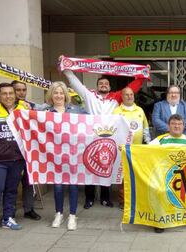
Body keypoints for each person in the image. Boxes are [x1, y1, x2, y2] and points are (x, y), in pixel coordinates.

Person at [60, 59, 148, 210]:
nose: (103, 85)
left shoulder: (116, 97)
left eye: (106, 84)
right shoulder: (89, 96)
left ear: (110, 86)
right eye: (101, 84)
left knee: (106, 167)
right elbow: (75, 83)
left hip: (109, 138)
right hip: (90, 137)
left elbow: (132, 88)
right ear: (97, 86)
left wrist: (143, 74)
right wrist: (66, 68)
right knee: (89, 166)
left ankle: (105, 198)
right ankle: (89, 198)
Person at [0, 83, 27, 236]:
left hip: (17, 159)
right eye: (4, 93)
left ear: (15, 94)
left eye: (11, 93)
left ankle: (8, 218)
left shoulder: (24, 109)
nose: (8, 96)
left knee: (11, 190)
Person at [43, 81, 85, 231]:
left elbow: (91, 121)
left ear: (66, 95)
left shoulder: (76, 110)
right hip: (55, 156)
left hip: (73, 153)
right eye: (56, 93)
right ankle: (59, 213)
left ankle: (73, 215)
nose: (59, 95)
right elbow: (30, 113)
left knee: (73, 185)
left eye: (61, 93)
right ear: (51, 95)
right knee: (58, 186)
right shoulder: (46, 111)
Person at [149, 114, 186, 233]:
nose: (176, 126)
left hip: (184, 177)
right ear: (168, 126)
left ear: (183, 126)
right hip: (164, 176)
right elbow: (144, 152)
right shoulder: (159, 140)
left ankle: (184, 216)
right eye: (174, 124)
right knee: (160, 190)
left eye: (179, 124)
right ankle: (160, 221)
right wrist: (127, 149)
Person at [113, 87, 151, 208]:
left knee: (136, 175)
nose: (129, 97)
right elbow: (112, 130)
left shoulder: (140, 110)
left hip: (137, 150)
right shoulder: (116, 111)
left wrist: (149, 143)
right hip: (122, 149)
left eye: (131, 94)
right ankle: (124, 201)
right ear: (122, 97)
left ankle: (136, 199)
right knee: (124, 176)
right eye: (126, 95)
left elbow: (145, 129)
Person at [10, 80, 42, 221]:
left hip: (28, 151)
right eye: (18, 90)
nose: (21, 92)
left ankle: (29, 209)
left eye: (24, 90)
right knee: (12, 184)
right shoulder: (6, 108)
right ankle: (9, 211)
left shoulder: (29, 106)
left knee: (29, 183)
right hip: (12, 153)